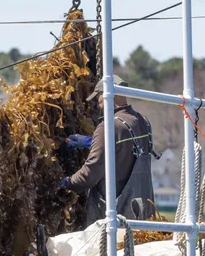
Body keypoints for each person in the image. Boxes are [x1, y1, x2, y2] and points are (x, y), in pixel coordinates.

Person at [62, 75, 156, 226]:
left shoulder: (109, 127)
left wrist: (66, 184)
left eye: (98, 97)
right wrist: (93, 141)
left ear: (107, 96)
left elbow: (90, 174)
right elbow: (125, 149)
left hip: (116, 218)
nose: (98, 104)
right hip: (143, 211)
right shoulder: (144, 122)